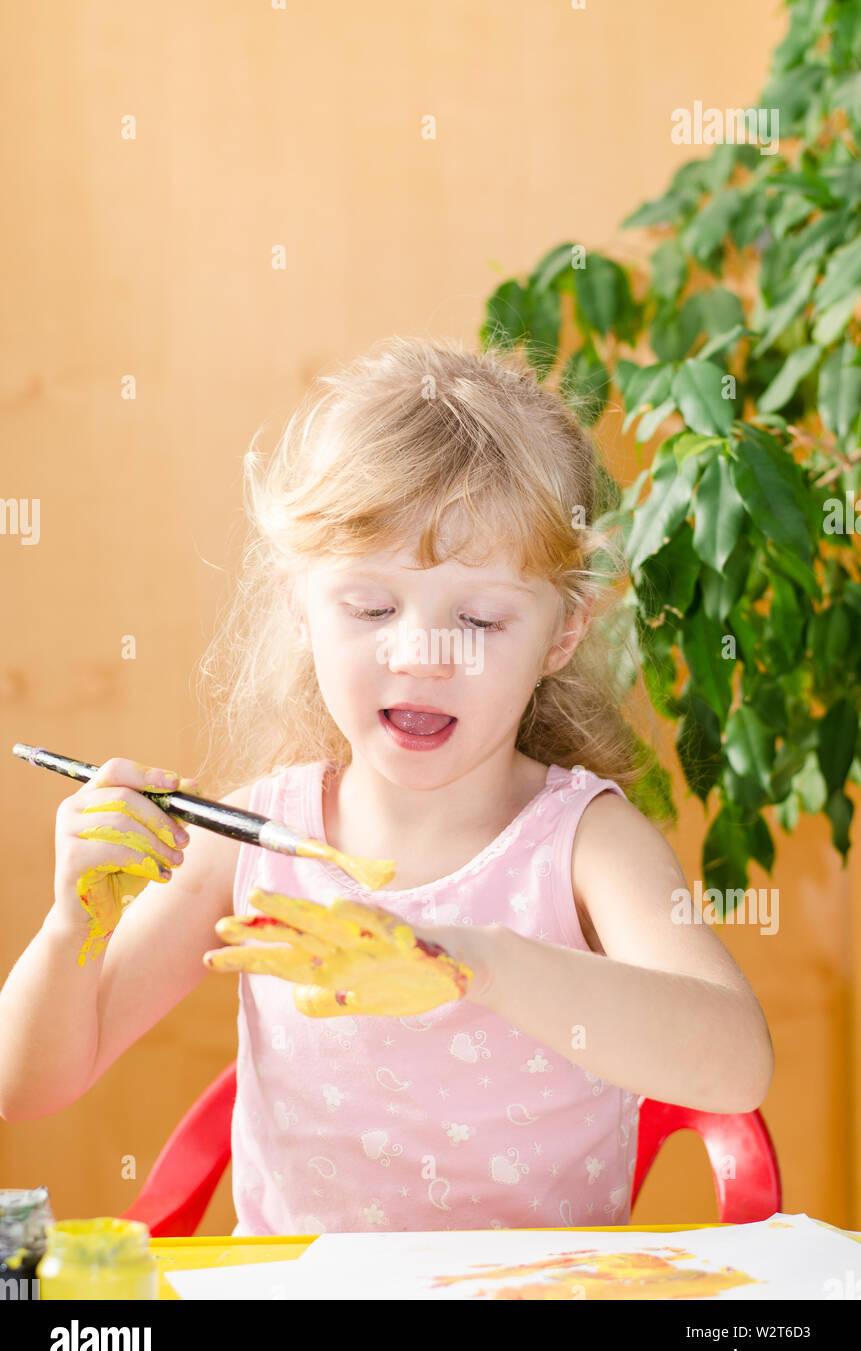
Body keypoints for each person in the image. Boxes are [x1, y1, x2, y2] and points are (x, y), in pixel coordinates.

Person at [0, 335, 774, 1235]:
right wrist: (70, 929)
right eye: (369, 609)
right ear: (300, 604)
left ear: (561, 635)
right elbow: (30, 1087)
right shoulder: (244, 835)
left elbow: (733, 1066)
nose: (419, 655)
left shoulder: (581, 844)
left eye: (480, 619)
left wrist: (474, 964)